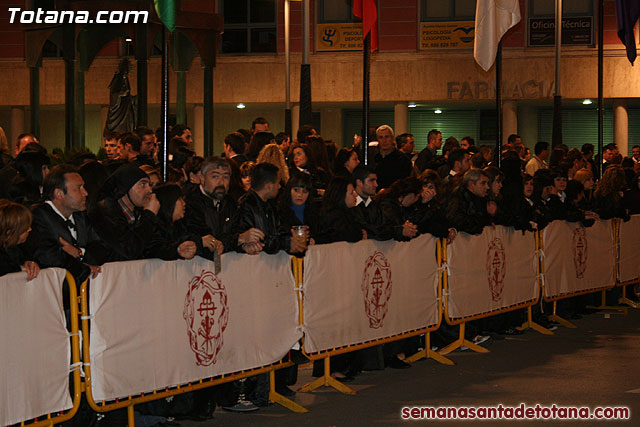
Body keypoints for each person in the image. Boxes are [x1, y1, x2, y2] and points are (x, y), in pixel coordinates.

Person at [28, 165, 106, 283]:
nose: (85, 193)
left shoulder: (81, 216)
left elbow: (102, 249)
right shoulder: (37, 217)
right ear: (59, 194)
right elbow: (47, 256)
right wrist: (84, 269)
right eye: (78, 188)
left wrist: (79, 253)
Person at [90, 163, 161, 260]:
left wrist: (176, 250)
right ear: (126, 186)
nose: (150, 190)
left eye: (150, 185)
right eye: (143, 184)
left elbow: (151, 245)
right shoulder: (106, 212)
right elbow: (129, 250)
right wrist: (149, 215)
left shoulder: (139, 212)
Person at [235, 163, 307, 255]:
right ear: (269, 186)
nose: (279, 186)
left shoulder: (271, 206)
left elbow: (279, 231)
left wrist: (292, 238)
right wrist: (286, 243)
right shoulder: (245, 206)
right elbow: (257, 241)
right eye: (278, 182)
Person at [184, 157, 243, 257]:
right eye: (215, 177)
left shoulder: (231, 202)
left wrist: (243, 245)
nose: (221, 182)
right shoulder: (190, 202)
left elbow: (237, 230)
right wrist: (237, 240)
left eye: (225, 177)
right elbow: (207, 239)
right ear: (202, 179)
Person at [147, 183, 199, 260]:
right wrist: (177, 250)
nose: (184, 203)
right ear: (168, 202)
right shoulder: (153, 227)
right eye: (179, 199)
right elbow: (158, 248)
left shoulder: (180, 225)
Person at [315, 177, 365, 244]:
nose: (355, 195)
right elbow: (350, 235)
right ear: (341, 195)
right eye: (351, 192)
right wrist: (360, 233)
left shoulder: (352, 212)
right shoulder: (332, 215)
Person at [0, 199, 39, 279]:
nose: (30, 229)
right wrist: (21, 269)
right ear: (9, 232)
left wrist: (28, 264)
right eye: (25, 229)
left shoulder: (17, 248)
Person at [447, 169, 493, 235]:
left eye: (487, 183)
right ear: (471, 184)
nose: (487, 187)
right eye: (483, 183)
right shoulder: (458, 198)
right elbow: (459, 222)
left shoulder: (482, 199)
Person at [375, 177, 421, 241]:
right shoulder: (386, 205)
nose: (416, 200)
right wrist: (401, 231)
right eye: (417, 197)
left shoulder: (404, 208)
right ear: (411, 195)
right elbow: (380, 230)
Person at [373, 125, 412, 189]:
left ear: (392, 138)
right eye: (381, 137)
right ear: (377, 140)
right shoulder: (374, 158)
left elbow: (405, 184)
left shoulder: (403, 159)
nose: (384, 140)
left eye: (387, 137)